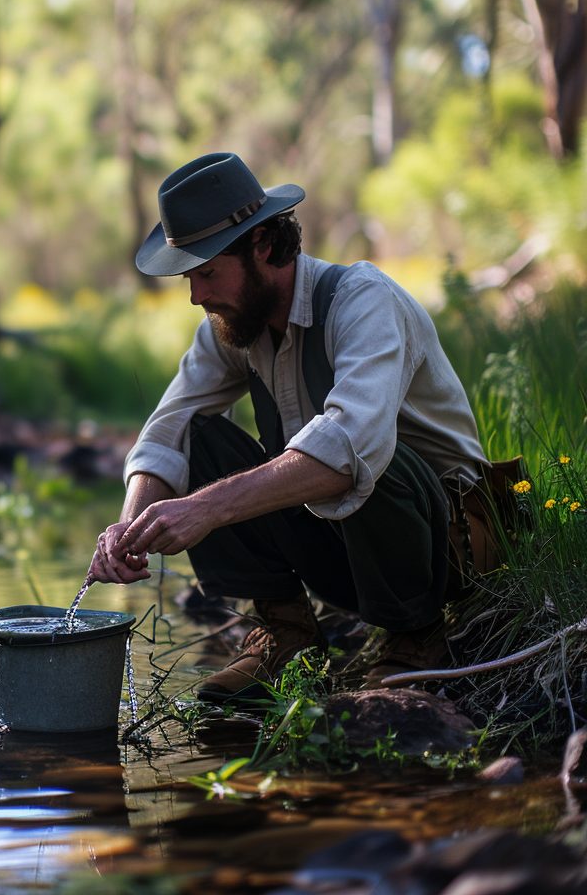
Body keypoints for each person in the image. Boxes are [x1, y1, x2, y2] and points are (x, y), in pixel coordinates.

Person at [88, 152, 490, 701]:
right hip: (343, 547)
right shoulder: (235, 326)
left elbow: (350, 447)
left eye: (207, 273)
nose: (195, 296)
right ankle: (287, 633)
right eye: (190, 276)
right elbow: (169, 427)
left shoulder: (362, 300)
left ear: (267, 247)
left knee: (364, 451)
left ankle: (415, 638)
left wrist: (205, 507)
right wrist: (127, 528)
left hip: (444, 551)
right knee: (199, 433)